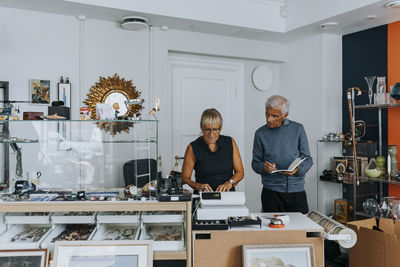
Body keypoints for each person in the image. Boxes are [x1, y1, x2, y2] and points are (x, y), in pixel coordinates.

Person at [251, 95, 312, 214]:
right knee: (272, 231)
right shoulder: (260, 133)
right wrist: (264, 167)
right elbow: (255, 163)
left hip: (296, 191)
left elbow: (308, 159)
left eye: (274, 116)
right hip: (271, 193)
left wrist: (298, 169)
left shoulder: (298, 129)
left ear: (285, 115)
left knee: (300, 230)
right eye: (267, 114)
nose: (269, 119)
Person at [182, 108, 244, 192]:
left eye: (215, 129)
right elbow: (185, 178)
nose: (211, 134)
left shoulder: (230, 142)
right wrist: (198, 186)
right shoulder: (193, 147)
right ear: (201, 127)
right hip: (204, 195)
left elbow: (240, 172)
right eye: (207, 129)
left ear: (220, 128)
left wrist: (230, 182)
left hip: (227, 194)